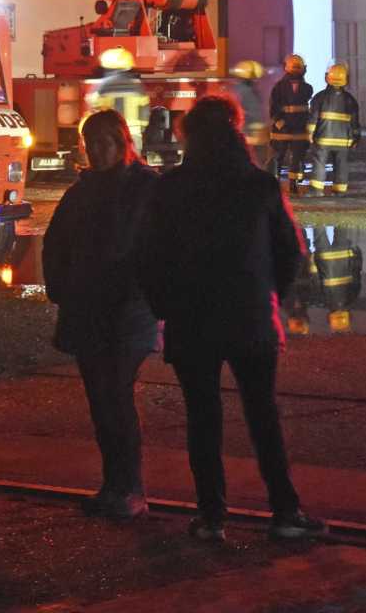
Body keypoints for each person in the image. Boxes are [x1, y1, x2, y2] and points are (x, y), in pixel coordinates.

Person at [134, 94, 324, 543]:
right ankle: (284, 511)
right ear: (236, 131)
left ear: (190, 136)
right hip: (250, 318)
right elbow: (291, 251)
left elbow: (148, 258)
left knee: (203, 419)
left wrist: (166, 306)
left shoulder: (170, 188)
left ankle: (213, 516)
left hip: (191, 321)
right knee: (263, 417)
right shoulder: (258, 186)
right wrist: (268, 294)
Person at [42, 109, 161, 520]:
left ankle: (129, 488)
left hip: (127, 313)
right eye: (90, 144)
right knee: (102, 401)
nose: (96, 151)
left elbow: (157, 246)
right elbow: (55, 245)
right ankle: (116, 485)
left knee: (115, 397)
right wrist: (61, 289)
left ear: (122, 142)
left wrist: (143, 293)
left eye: (103, 143)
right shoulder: (82, 192)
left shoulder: (145, 189)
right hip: (89, 311)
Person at [305, 62, 361, 196]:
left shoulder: (319, 98)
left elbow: (313, 118)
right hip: (343, 141)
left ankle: (316, 190)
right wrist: (356, 137)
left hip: (323, 139)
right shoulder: (350, 100)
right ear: (345, 79)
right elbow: (355, 123)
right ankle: (340, 191)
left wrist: (309, 134)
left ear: (327, 78)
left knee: (319, 162)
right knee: (341, 165)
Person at [268, 54, 315, 193]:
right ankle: (287, 183)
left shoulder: (304, 88)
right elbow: (273, 107)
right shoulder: (307, 88)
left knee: (287, 157)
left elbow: (273, 107)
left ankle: (290, 184)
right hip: (291, 129)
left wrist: (279, 123)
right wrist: (280, 123)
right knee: (285, 157)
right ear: (304, 69)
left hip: (289, 129)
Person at [93, 47, 150, 155]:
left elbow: (95, 112)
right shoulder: (137, 86)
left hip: (110, 136)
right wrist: (140, 130)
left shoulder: (103, 86)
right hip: (133, 135)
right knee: (132, 166)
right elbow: (145, 111)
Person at [310, 224, 362, 334]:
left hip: (342, 253)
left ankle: (340, 209)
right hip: (324, 257)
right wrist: (313, 261)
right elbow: (315, 278)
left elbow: (356, 275)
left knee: (341, 223)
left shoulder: (352, 297)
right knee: (317, 224)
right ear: (329, 317)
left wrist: (357, 257)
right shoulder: (323, 300)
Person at [227, 60, 269, 158]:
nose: (256, 80)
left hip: (243, 134)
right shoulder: (247, 91)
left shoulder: (235, 89)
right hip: (249, 136)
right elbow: (254, 113)